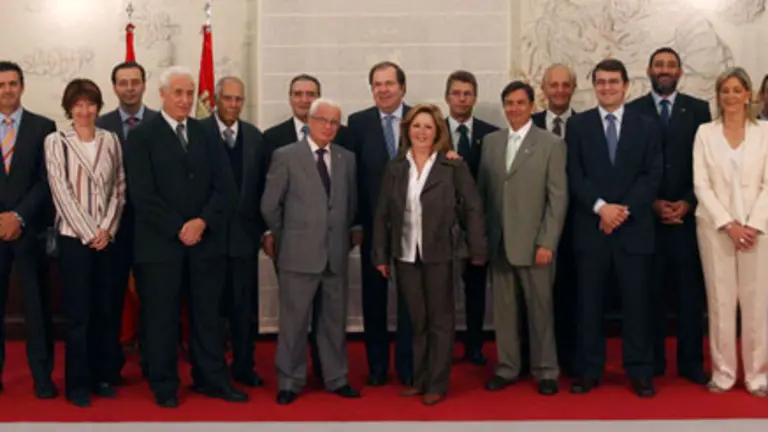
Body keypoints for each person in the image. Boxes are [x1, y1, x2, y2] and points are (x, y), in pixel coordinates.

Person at [124, 66, 245, 408]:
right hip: (160, 246)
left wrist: (201, 222)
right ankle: (164, 384)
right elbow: (142, 194)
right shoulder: (142, 136)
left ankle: (211, 379)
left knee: (207, 316)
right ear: (161, 95)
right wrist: (180, 227)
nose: (185, 100)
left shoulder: (206, 133)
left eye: (190, 93)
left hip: (204, 244)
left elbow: (225, 187)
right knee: (161, 319)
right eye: (178, 92)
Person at [372, 103, 485, 405]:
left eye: (428, 127)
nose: (421, 132)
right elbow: (382, 213)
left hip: (442, 254)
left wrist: (477, 249)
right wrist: (381, 255)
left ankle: (437, 383)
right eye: (416, 126)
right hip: (406, 254)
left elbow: (473, 207)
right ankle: (419, 379)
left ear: (437, 132)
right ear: (407, 129)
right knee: (417, 319)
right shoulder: (396, 167)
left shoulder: (453, 165)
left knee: (441, 321)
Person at [567, 59, 662, 398]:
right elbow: (574, 175)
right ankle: (589, 370)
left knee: (637, 305)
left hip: (633, 229)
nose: (607, 87)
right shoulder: (578, 126)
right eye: (601, 82)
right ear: (594, 86)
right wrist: (600, 208)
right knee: (588, 305)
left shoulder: (646, 125)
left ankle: (638, 370)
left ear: (626, 86)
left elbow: (651, 175)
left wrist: (621, 211)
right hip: (592, 229)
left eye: (613, 82)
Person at [262, 98, 360, 405]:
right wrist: (287, 238)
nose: (329, 127)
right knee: (293, 323)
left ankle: (336, 378)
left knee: (333, 321)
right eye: (323, 121)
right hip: (297, 255)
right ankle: (289, 381)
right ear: (310, 122)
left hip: (334, 255)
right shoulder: (286, 156)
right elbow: (270, 206)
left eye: (334, 122)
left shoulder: (347, 158)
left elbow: (351, 204)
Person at [627, 47, 711, 385]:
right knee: (651, 294)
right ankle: (655, 360)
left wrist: (688, 202)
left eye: (671, 65)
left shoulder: (699, 110)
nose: (665, 69)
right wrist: (652, 203)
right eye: (659, 64)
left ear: (680, 71)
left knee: (690, 295)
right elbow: (630, 167)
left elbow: (708, 165)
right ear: (648, 69)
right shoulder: (633, 110)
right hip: (648, 219)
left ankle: (691, 363)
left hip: (689, 218)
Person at [479, 81, 567, 396]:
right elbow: (483, 195)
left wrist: (548, 242)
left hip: (535, 246)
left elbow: (558, 199)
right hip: (500, 243)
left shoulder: (551, 144)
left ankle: (546, 370)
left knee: (541, 311)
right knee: (504, 313)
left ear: (532, 105)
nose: (514, 109)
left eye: (520, 103)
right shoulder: (490, 142)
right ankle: (507, 367)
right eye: (509, 103)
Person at [45, 78, 125, 407]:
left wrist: (106, 229)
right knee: (78, 315)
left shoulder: (111, 140)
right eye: (78, 104)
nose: (84, 110)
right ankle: (77, 384)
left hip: (106, 240)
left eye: (90, 103)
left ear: (98, 106)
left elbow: (119, 188)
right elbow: (59, 190)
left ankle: (102, 376)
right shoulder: (56, 141)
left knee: (104, 311)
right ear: (69, 108)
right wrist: (89, 231)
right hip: (73, 239)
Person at [693, 67, 768, 397]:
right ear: (718, 96)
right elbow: (701, 184)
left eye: (737, 90)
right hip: (715, 228)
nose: (731, 96)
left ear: (749, 94)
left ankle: (757, 376)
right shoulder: (704, 133)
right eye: (725, 90)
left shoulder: (765, 133)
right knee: (721, 302)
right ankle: (723, 374)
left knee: (757, 305)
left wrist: (751, 225)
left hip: (759, 229)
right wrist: (729, 224)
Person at [347, 61, 413, 387]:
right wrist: (356, 223)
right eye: (377, 84)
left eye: (389, 83)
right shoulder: (357, 123)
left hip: (413, 228)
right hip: (374, 229)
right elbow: (353, 180)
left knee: (410, 301)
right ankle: (376, 366)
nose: (383, 90)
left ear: (402, 87)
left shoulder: (421, 119)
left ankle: (408, 366)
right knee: (373, 299)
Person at [200, 76, 267, 387]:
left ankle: (244, 365)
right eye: (227, 98)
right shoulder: (198, 133)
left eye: (239, 99)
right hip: (208, 239)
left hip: (243, 241)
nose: (233, 105)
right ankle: (210, 371)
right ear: (216, 99)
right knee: (209, 311)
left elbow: (260, 189)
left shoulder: (255, 137)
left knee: (244, 311)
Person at [95, 60, 158, 384]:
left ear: (145, 85)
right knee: (111, 298)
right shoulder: (100, 125)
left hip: (154, 228)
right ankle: (110, 366)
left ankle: (153, 360)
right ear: (114, 87)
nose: (130, 87)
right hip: (113, 226)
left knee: (155, 298)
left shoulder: (162, 123)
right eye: (123, 82)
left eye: (135, 82)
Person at [0, 61, 57, 399]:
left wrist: (17, 216)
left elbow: (46, 180)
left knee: (37, 309)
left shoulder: (42, 127)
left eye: (12, 83)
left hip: (29, 232)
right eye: (1, 84)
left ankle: (42, 377)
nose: (6, 89)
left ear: (22, 86)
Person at [443, 71, 498, 365]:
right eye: (456, 93)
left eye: (467, 93)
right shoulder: (433, 130)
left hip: (478, 225)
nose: (462, 98)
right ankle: (444, 346)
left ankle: (474, 345)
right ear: (447, 97)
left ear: (475, 97)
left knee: (476, 290)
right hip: (442, 227)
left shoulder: (491, 133)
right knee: (443, 292)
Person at [532, 63, 578, 376]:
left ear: (573, 89)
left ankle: (569, 357)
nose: (559, 90)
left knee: (572, 294)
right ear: (544, 88)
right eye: (553, 85)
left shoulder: (587, 125)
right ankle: (534, 358)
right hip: (534, 225)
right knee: (536, 298)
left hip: (576, 225)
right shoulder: (528, 124)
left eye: (565, 85)